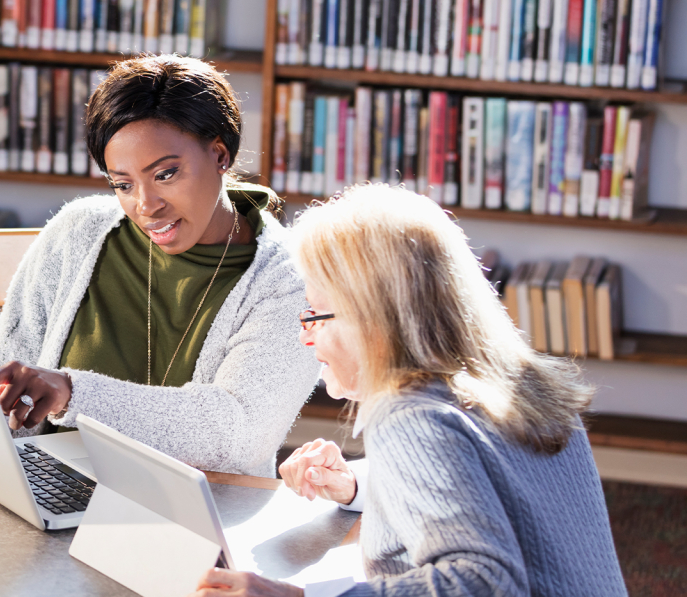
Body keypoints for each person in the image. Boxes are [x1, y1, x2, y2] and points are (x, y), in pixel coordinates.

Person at [0, 54, 321, 476]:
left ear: (220, 155)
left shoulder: (291, 280)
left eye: (166, 174)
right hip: (47, 491)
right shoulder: (77, 231)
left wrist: (70, 392)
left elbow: (241, 434)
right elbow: (1, 372)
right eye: (122, 183)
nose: (146, 205)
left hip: (195, 520)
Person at [192, 184, 626, 596]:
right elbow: (488, 485)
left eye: (315, 314)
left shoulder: (412, 417)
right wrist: (359, 484)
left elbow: (484, 584)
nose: (305, 337)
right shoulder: (519, 384)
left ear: (373, 321)